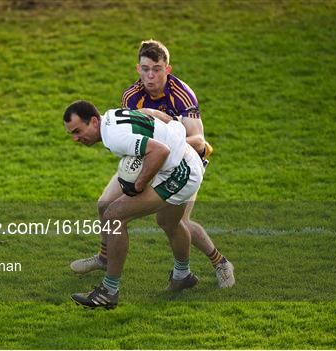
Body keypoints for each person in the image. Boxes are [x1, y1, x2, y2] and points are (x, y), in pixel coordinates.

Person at [70, 40, 235, 288]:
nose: (150, 75)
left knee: (174, 223)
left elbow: (199, 141)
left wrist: (166, 137)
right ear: (138, 69)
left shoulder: (182, 94)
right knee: (105, 205)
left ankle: (220, 262)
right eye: (145, 69)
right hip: (148, 158)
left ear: (167, 69)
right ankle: (105, 258)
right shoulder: (131, 95)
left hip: (183, 163)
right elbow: (137, 135)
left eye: (157, 69)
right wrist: (157, 129)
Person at [64, 100, 205, 309]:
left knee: (114, 216)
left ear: (94, 121)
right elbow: (150, 113)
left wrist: (138, 185)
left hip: (180, 172)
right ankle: (182, 275)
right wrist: (171, 128)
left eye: (77, 131)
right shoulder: (112, 115)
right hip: (186, 159)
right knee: (169, 223)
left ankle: (109, 292)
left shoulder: (115, 137)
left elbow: (160, 151)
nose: (76, 138)